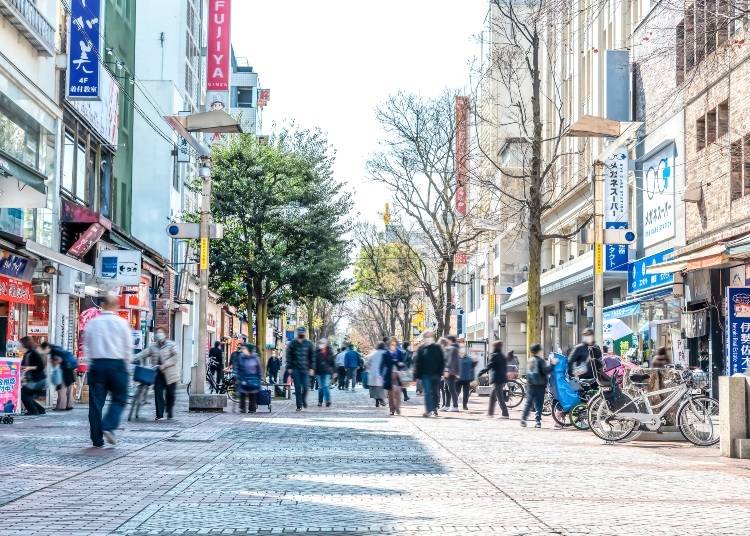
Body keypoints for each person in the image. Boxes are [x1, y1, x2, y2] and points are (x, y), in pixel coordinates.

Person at [83, 295, 132, 447]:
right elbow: (127, 348)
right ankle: (109, 425)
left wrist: (90, 365)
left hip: (97, 365)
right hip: (117, 365)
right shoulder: (122, 323)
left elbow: (87, 346)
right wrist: (127, 368)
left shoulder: (92, 323)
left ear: (102, 305)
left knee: (96, 405)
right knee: (120, 398)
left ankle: (97, 440)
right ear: (116, 306)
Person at [138, 328, 179, 421]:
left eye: (161, 332)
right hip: (158, 374)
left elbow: (175, 357)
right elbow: (144, 353)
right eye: (157, 333)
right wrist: (133, 357)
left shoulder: (171, 345)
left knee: (170, 395)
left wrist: (165, 365)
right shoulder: (153, 347)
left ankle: (169, 409)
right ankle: (159, 415)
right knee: (158, 393)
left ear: (165, 334)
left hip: (170, 374)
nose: (159, 334)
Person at [414, 331, 445, 417]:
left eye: (430, 336)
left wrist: (441, 372)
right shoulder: (421, 348)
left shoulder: (437, 347)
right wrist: (416, 375)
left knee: (435, 392)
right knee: (427, 392)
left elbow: (442, 360)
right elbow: (418, 362)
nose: (429, 338)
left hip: (436, 374)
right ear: (424, 338)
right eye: (427, 336)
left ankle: (434, 409)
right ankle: (428, 410)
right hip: (425, 375)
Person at [39, 342, 77, 411]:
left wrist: (52, 361)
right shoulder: (59, 348)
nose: (44, 352)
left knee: (61, 390)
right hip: (69, 370)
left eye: (44, 350)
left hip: (63, 371)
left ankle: (61, 406)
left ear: (47, 347)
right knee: (68, 390)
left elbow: (59, 360)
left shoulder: (54, 351)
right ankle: (69, 405)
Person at [520, 343, 551, 428]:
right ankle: (537, 421)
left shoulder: (529, 360)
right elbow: (546, 371)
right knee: (539, 404)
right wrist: (552, 365)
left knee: (528, 403)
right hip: (540, 386)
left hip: (530, 385)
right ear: (539, 351)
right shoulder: (541, 361)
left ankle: (523, 419)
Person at [285, 326, 314, 411]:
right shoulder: (292, 343)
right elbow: (288, 356)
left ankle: (303, 399)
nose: (301, 334)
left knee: (306, 387)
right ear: (297, 333)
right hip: (295, 369)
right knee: (297, 387)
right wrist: (289, 367)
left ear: (305, 333)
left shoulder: (309, 344)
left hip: (305, 369)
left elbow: (312, 357)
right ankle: (299, 405)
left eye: (302, 332)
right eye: (300, 332)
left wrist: (312, 368)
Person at [479, 341, 509, 418]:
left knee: (499, 397)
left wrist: (481, 372)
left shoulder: (494, 356)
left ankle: (505, 414)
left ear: (495, 347)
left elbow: (489, 366)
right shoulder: (502, 356)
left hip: (497, 379)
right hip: (502, 379)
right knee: (493, 396)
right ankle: (490, 413)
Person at [20, 337, 46, 415]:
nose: (19, 346)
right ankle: (40, 409)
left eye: (20, 344)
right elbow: (24, 366)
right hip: (33, 380)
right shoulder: (27, 354)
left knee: (24, 394)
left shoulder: (34, 353)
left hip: (38, 380)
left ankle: (33, 411)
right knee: (27, 394)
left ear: (25, 344)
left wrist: (29, 368)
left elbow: (41, 366)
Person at [235, 344, 262, 413]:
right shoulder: (241, 357)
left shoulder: (255, 358)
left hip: (253, 378)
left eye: (245, 349)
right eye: (243, 349)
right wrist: (238, 376)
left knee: (252, 394)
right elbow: (238, 367)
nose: (243, 350)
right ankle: (242, 408)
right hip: (243, 377)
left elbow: (259, 369)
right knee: (243, 393)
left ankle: (252, 409)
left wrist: (259, 378)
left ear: (249, 350)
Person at [382, 337, 404, 415]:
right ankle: (392, 409)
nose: (393, 345)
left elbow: (403, 363)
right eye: (391, 344)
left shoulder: (400, 352)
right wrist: (381, 375)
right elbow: (383, 364)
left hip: (398, 375)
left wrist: (400, 364)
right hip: (389, 375)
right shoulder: (385, 353)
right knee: (390, 394)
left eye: (394, 344)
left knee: (398, 392)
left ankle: (397, 407)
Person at [313, 338, 335, 407]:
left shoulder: (330, 352)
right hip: (319, 372)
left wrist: (334, 371)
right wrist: (313, 369)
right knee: (321, 387)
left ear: (326, 344)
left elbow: (333, 362)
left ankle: (328, 400)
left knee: (325, 386)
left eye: (324, 343)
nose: (322, 344)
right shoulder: (316, 352)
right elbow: (313, 362)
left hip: (327, 371)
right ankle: (320, 401)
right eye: (321, 343)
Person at [442, 336, 461, 412]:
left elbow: (451, 361)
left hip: (450, 372)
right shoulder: (451, 348)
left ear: (450, 340)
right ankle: (447, 405)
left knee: (451, 389)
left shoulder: (453, 349)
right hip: (449, 372)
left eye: (447, 340)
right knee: (446, 389)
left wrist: (447, 371)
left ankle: (455, 406)